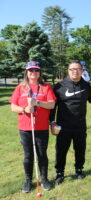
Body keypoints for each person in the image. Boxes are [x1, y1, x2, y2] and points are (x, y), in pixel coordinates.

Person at [10, 61, 56, 193]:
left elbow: (51, 104)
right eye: (31, 71)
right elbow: (13, 107)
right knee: (28, 155)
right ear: (27, 73)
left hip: (41, 127)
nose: (33, 73)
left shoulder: (46, 87)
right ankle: (28, 181)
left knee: (42, 154)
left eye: (36, 70)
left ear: (40, 73)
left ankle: (44, 179)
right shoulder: (20, 88)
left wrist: (38, 102)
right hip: (25, 127)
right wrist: (24, 109)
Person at [50, 60, 91, 185]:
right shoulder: (59, 86)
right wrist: (52, 122)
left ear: (82, 70)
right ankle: (60, 173)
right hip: (63, 126)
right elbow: (53, 107)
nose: (75, 71)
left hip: (80, 125)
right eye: (72, 69)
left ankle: (79, 170)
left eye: (78, 69)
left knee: (80, 149)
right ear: (68, 71)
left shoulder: (86, 86)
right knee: (61, 150)